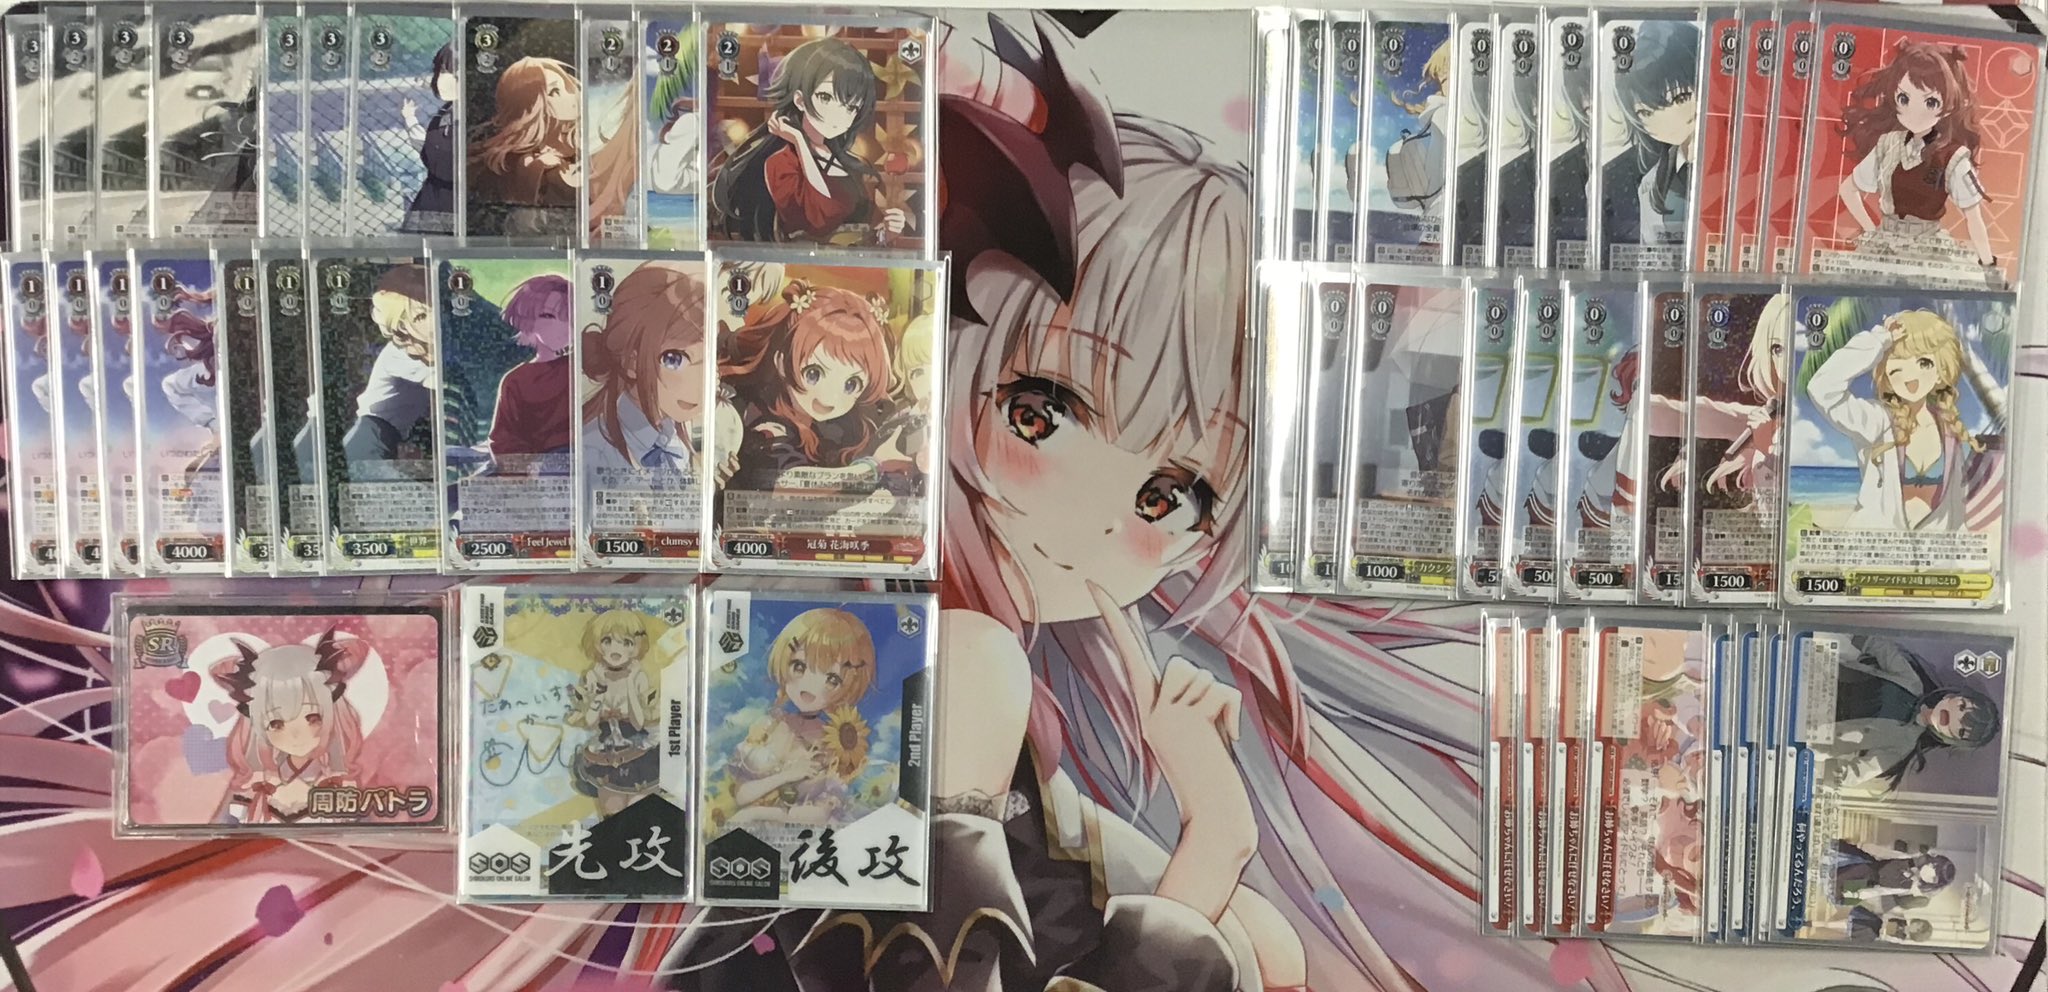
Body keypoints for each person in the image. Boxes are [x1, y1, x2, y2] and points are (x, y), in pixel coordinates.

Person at [1806, 308, 2004, 531]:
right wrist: (1878, 340)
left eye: (1924, 363)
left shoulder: (1949, 428)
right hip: (1872, 545)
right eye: (1897, 369)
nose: (1910, 377)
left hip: (1927, 550)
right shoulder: (1877, 420)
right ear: (1887, 376)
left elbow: (1954, 514)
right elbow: (1822, 388)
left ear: (1941, 369)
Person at [706, 37, 908, 245]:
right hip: (796, 263)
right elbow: (818, 219)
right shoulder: (780, 162)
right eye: (826, 98)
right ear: (800, 100)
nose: (838, 115)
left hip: (847, 264)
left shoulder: (852, 165)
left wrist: (885, 233)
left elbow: (858, 233)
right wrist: (799, 142)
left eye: (851, 107)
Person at [707, 608, 876, 831]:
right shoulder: (768, 727)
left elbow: (823, 813)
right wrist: (787, 776)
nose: (809, 687)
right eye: (799, 666)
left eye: (832, 679)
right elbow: (742, 795)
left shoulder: (834, 744)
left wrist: (766, 813)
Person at [1836, 40, 1996, 274]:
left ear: (1950, 105)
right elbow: (1848, 189)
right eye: (1904, 99)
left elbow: (1974, 218)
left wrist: (1988, 267)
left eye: (1930, 102)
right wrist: (1871, 232)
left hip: (1928, 249)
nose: (1914, 113)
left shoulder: (1953, 157)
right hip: (1886, 245)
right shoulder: (1888, 144)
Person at [207, 630, 368, 825]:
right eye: (276, 724)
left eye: (312, 718)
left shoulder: (341, 782)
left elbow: (369, 831)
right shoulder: (253, 784)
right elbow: (219, 831)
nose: (296, 735)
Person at [1817, 633, 2001, 794]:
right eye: (1961, 706)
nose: (1953, 718)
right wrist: (1849, 631)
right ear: (1952, 696)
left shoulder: (1904, 744)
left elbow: (1860, 771)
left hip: (1817, 730)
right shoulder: (1912, 682)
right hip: (1822, 677)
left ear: (1951, 740)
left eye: (1961, 730)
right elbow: (1881, 648)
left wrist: (1821, 773)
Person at [467, 57, 582, 236]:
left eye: (567, 88)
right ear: (532, 104)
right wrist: (537, 167)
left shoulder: (578, 140)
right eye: (555, 92)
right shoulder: (517, 162)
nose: (572, 97)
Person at [566, 609, 661, 815]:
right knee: (612, 815)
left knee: (639, 814)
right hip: (606, 756)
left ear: (636, 647)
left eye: (626, 642)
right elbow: (590, 722)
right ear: (597, 644)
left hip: (639, 754)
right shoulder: (593, 675)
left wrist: (631, 685)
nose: (616, 649)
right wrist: (600, 690)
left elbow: (638, 723)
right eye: (607, 641)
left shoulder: (638, 677)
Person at [343, 265, 435, 474]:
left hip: (387, 436)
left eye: (433, 312)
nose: (432, 322)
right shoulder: (399, 353)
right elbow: (440, 381)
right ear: (400, 325)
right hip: (371, 436)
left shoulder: (426, 349)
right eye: (420, 317)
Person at [485, 273, 574, 461]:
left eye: (568, 317)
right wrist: (529, 467)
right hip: (535, 467)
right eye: (549, 316)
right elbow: (503, 439)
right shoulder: (516, 380)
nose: (563, 327)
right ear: (529, 319)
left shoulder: (584, 368)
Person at [397, 45, 458, 235]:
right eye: (444, 71)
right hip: (434, 202)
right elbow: (429, 148)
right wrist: (410, 120)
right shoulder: (444, 115)